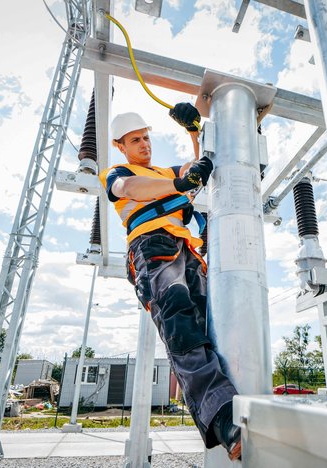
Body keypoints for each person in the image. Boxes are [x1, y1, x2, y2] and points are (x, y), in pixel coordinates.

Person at [98, 103, 241, 461]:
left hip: (188, 251)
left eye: (146, 137)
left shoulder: (165, 170)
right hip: (152, 247)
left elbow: (196, 169)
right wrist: (178, 184)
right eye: (136, 140)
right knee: (180, 322)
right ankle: (222, 415)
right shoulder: (116, 171)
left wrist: (194, 131)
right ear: (121, 146)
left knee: (215, 320)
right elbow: (131, 187)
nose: (144, 144)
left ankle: (240, 400)